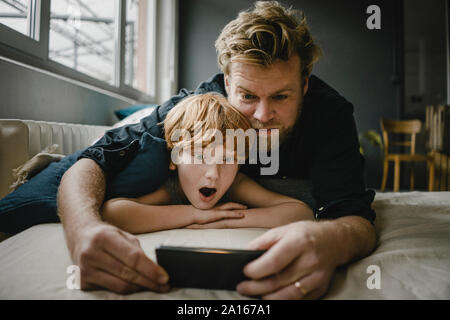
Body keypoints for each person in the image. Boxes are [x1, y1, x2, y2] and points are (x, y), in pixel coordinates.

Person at [57, 1, 376, 298]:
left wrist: (333, 241)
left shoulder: (330, 114)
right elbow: (96, 159)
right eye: (248, 96)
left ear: (305, 86)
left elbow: (352, 215)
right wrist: (83, 231)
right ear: (227, 84)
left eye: (280, 97)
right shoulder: (199, 109)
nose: (263, 115)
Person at [101, 93, 314, 234]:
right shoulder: (173, 187)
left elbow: (300, 213)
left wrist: (225, 219)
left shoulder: (235, 183)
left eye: (228, 159)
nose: (214, 174)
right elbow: (113, 213)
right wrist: (196, 215)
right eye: (201, 157)